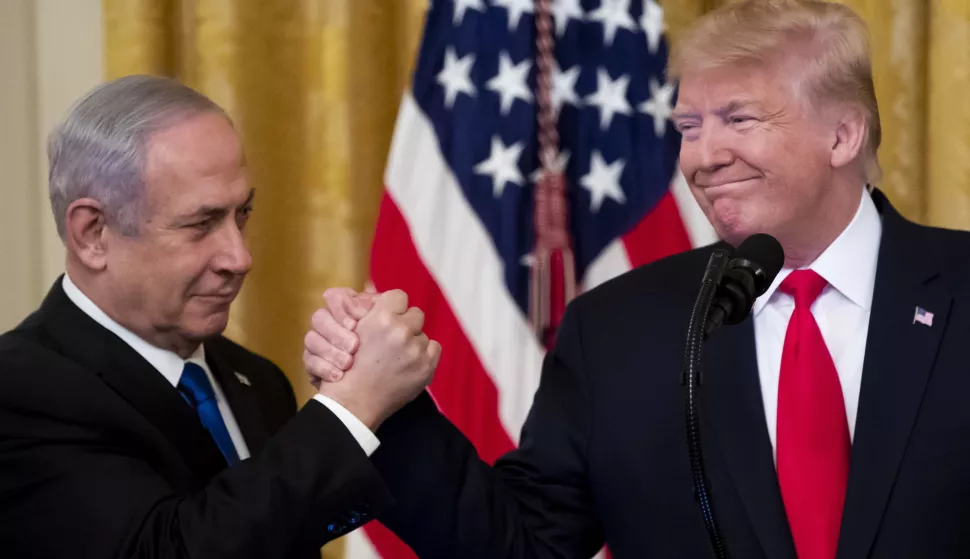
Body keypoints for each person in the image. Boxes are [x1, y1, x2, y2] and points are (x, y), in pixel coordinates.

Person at [304, 1, 970, 557]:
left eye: (739, 119)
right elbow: (521, 544)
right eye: (687, 126)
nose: (704, 157)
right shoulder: (617, 329)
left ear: (843, 134)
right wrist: (385, 406)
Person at [0, 75, 440, 559]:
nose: (239, 256)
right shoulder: (20, 389)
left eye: (242, 214)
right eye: (201, 223)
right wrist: (350, 408)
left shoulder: (256, 380)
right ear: (93, 234)